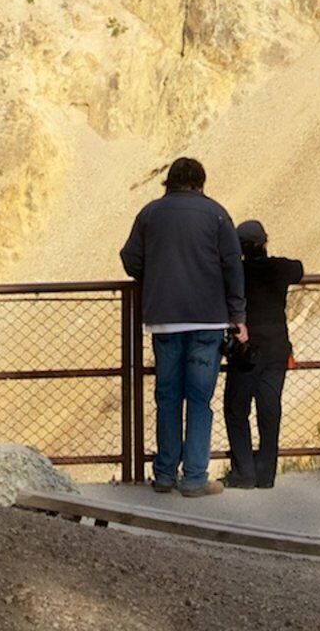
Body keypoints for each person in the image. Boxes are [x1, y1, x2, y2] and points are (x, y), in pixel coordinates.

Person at [118, 156, 246, 496]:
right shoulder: (217, 214)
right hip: (208, 320)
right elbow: (234, 267)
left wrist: (156, 274)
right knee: (200, 400)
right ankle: (194, 478)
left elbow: (130, 259)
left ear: (168, 182)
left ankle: (163, 475)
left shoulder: (149, 214)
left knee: (168, 396)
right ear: (201, 183)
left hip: (164, 320)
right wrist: (238, 318)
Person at [221, 218, 303, 489]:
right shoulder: (278, 269)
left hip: (246, 352)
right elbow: (298, 268)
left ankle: (243, 472)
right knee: (269, 409)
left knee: (236, 409)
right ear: (264, 243)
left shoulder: (235, 272)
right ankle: (266, 474)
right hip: (277, 348)